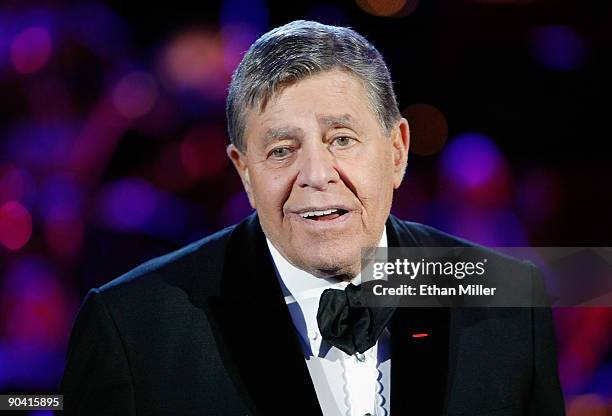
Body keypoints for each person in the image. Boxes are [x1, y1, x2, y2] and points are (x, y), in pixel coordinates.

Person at [61, 20, 565, 415]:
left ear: (397, 151)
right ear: (244, 173)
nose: (316, 175)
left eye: (342, 140)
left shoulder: (507, 298)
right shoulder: (133, 326)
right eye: (281, 150)